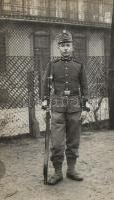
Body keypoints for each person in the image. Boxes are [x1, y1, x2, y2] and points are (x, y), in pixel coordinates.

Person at [42, 30, 90, 185]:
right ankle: (57, 172)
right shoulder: (52, 65)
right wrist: (44, 100)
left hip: (75, 106)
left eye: (68, 45)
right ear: (59, 47)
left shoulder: (79, 65)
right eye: (62, 46)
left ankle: (71, 169)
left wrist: (85, 106)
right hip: (57, 106)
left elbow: (85, 86)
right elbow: (45, 84)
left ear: (72, 47)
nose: (65, 48)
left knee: (73, 140)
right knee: (57, 142)